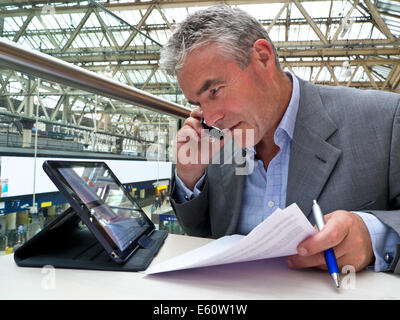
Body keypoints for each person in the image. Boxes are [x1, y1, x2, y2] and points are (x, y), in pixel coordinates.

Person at [159, 5, 400, 274]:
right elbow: (200, 232)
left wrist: (374, 235)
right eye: (198, 103)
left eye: (214, 90)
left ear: (262, 57)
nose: (211, 117)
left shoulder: (385, 119)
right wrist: (190, 177)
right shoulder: (215, 142)